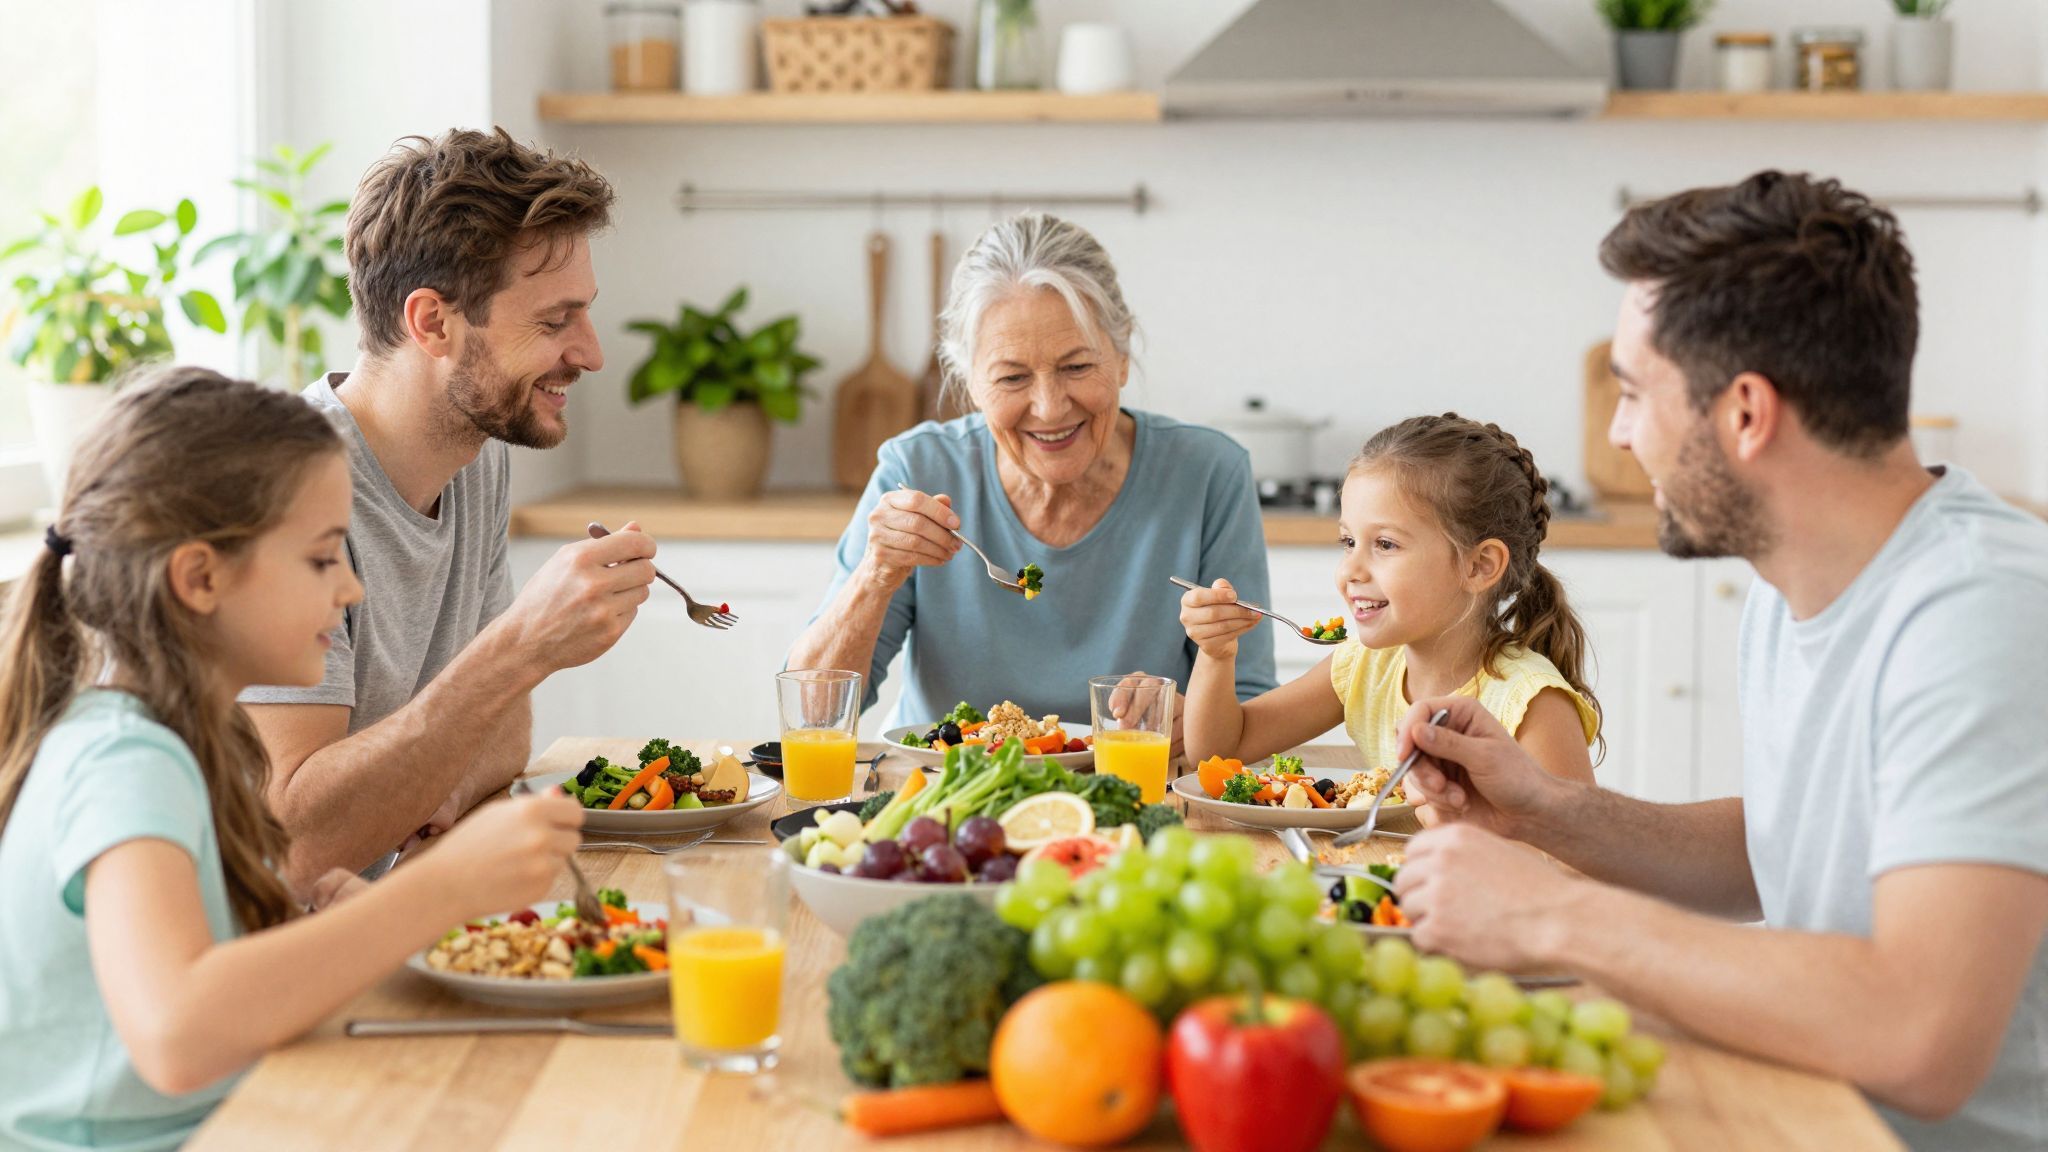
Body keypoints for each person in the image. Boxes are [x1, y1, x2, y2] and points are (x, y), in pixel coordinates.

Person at [1388, 171, 2048, 1151]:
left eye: (1631, 391)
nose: (1616, 433)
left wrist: (1556, 918)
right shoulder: (1790, 584)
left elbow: (1921, 1033)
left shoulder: (1981, 611)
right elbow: (1787, 850)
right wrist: (1545, 812)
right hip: (1802, 1096)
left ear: (1743, 413)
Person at [0, 368, 583, 1151]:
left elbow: (205, 974)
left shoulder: (185, 741)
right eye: (321, 559)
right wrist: (437, 891)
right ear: (201, 578)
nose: (351, 590)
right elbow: (177, 1032)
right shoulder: (122, 760)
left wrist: (320, 931)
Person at [240, 128, 655, 889]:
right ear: (431, 322)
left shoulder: (475, 455)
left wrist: (440, 794)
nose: (591, 352)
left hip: (363, 915)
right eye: (555, 321)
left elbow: (503, 732)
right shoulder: (281, 492)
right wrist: (525, 643)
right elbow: (291, 848)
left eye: (585, 314)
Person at [789, 212, 1277, 744]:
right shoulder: (917, 472)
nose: (1049, 407)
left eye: (1075, 367)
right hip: (946, 796)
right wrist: (876, 574)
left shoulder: (1208, 474)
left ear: (1120, 357)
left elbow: (1251, 705)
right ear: (969, 380)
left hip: (1138, 799)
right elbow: (811, 714)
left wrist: (1194, 713)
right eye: (1013, 377)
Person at [1179, 414, 1598, 802]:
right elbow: (1221, 752)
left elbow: (1580, 863)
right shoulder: (1367, 667)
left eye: (1385, 544)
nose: (1351, 570)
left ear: (1479, 566)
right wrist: (1217, 654)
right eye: (1348, 542)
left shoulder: (1532, 706)